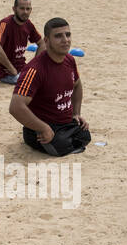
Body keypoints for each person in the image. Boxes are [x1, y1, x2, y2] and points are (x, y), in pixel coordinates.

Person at [10, 17, 90, 155]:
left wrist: (76, 113)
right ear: (46, 41)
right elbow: (16, 107)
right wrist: (43, 128)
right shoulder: (35, 69)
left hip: (65, 123)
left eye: (68, 34)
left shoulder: (69, 60)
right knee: (60, 146)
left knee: (85, 135)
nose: (65, 40)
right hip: (41, 127)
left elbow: (77, 85)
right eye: (58, 36)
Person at [0, 0, 41, 84]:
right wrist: (12, 69)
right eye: (22, 8)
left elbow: (42, 44)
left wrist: (35, 65)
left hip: (22, 68)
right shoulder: (5, 23)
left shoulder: (28, 24)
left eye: (28, 9)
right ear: (14, 9)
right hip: (8, 74)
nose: (25, 12)